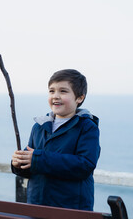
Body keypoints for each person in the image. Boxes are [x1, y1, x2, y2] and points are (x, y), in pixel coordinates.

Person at [11, 69, 101, 211]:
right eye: (51, 91)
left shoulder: (87, 127)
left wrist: (38, 159)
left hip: (70, 208)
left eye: (63, 91)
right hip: (37, 205)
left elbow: (85, 165)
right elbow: (31, 165)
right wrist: (18, 163)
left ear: (79, 98)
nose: (55, 96)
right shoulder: (39, 126)